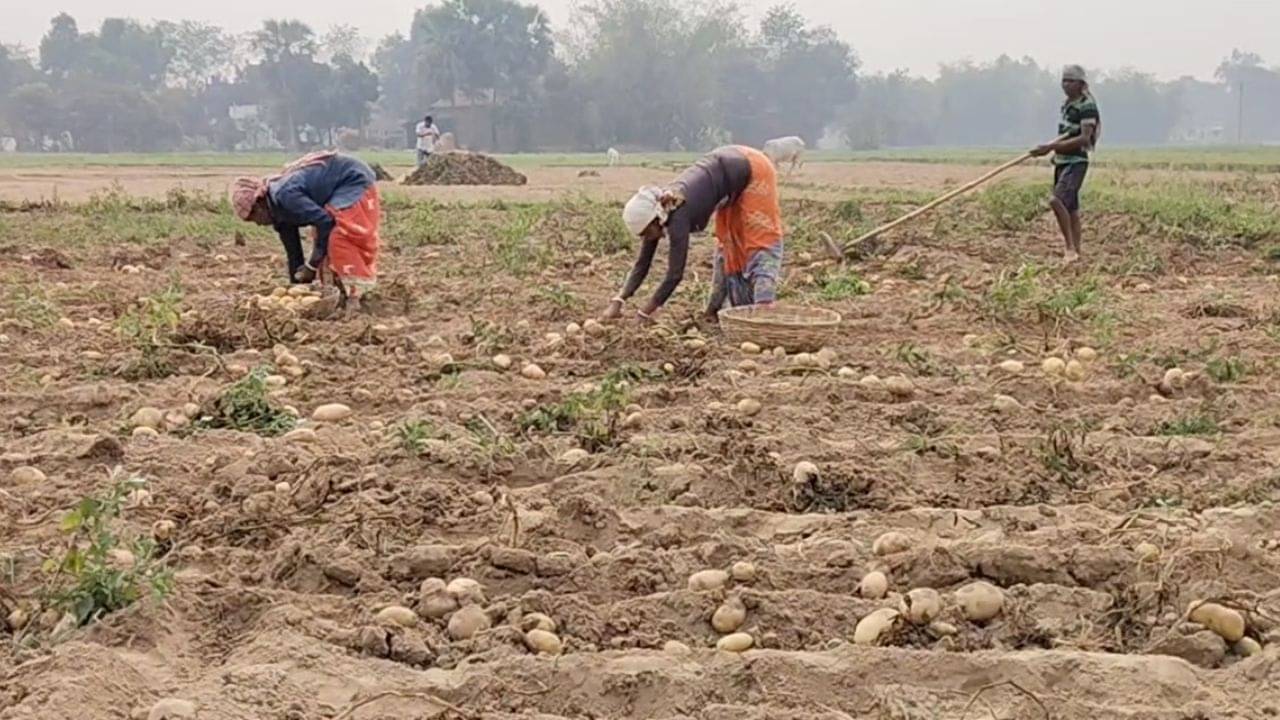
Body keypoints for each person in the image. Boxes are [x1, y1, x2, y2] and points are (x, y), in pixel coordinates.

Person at [603, 146, 784, 325]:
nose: (647, 238)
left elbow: (675, 275)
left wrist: (644, 314)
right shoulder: (660, 208)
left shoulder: (677, 215)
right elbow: (642, 263)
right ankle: (714, 311)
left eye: (646, 233)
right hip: (728, 171)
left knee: (760, 241)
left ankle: (763, 315)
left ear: (654, 220)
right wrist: (619, 300)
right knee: (728, 244)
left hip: (754, 168)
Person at [230, 152, 380, 312]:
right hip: (335, 187)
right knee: (321, 240)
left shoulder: (286, 196)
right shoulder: (278, 213)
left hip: (352, 179)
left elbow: (325, 222)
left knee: (338, 236)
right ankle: (336, 292)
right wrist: (297, 290)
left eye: (255, 218)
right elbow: (293, 253)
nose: (258, 224)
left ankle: (354, 297)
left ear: (260, 204)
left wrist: (311, 266)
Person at [1031, 64, 1101, 265]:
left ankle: (1069, 248)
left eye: (1070, 81)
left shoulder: (1087, 105)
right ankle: (1077, 253)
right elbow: (1066, 133)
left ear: (1081, 83)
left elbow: (1084, 139)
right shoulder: (1067, 104)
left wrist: (1052, 147)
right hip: (1062, 161)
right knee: (1071, 209)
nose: (1065, 85)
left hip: (1076, 162)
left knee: (1056, 201)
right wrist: (1054, 150)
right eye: (1063, 81)